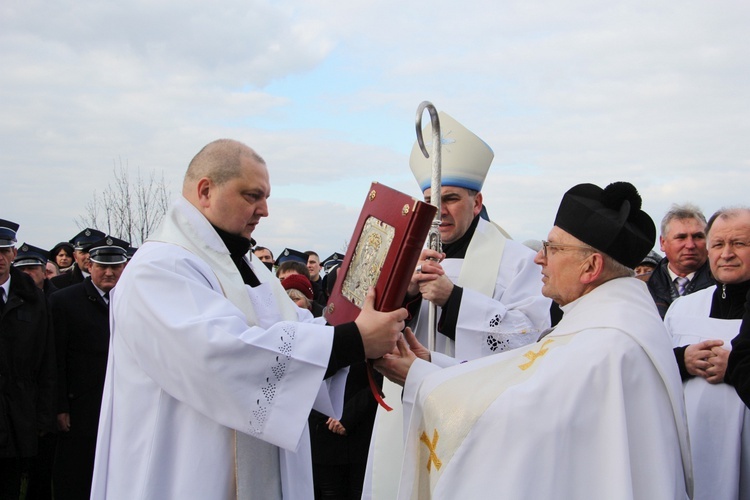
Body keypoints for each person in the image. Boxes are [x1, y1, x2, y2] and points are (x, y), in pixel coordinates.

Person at [90, 139, 407, 500]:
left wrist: (373, 312)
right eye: (252, 195)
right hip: (187, 470)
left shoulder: (245, 263)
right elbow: (222, 354)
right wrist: (352, 340)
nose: (265, 210)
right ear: (206, 191)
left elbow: (295, 329)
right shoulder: (160, 267)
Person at [376, 182, 692, 499]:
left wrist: (419, 377)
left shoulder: (609, 342)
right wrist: (432, 364)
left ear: (591, 266)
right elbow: (523, 376)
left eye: (552, 248)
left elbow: (524, 420)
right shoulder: (606, 316)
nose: (539, 258)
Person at [365, 111, 551, 500]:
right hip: (406, 402)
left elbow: (531, 341)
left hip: (478, 410)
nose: (441, 211)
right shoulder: (406, 258)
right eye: (432, 201)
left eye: (451, 199)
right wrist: (407, 294)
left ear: (477, 201)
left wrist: (455, 301)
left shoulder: (516, 259)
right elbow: (372, 323)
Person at [664, 207, 750, 499]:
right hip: (692, 446)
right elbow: (653, 367)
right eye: (718, 244)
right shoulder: (683, 308)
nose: (726, 254)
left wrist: (736, 367)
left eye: (739, 244)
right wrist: (683, 359)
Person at [50, 237, 129, 500]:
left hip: (123, 403)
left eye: (116, 267)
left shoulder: (134, 300)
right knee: (76, 475)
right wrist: (60, 406)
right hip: (81, 405)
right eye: (102, 266)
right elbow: (56, 357)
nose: (109, 272)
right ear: (89, 266)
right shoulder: (64, 301)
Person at [0, 219, 56, 499]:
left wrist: (44, 415)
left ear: (13, 254)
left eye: (4, 250)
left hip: (19, 412)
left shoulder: (34, 300)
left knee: (12, 486)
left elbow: (47, 360)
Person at [648, 204, 715, 317]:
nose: (690, 245)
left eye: (698, 236)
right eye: (681, 237)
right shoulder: (643, 287)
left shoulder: (724, 285)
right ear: (663, 242)